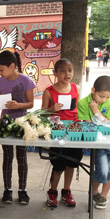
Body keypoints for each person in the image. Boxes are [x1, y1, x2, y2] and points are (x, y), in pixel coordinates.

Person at [0, 50, 36, 204]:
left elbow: (31, 103)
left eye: (1, 69)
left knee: (22, 158)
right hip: (5, 124)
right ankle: (7, 190)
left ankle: (23, 191)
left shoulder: (26, 81)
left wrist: (18, 104)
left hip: (22, 125)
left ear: (12, 66)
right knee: (7, 157)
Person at [77, 75, 110, 209]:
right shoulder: (82, 103)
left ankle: (103, 195)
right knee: (102, 170)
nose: (104, 100)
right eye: (101, 96)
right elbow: (89, 127)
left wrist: (96, 112)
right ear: (93, 90)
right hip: (98, 142)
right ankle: (93, 190)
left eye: (107, 97)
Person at [41, 58, 82, 208]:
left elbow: (79, 109)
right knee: (58, 165)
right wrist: (51, 110)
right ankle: (52, 192)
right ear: (55, 73)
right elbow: (42, 113)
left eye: (70, 70)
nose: (67, 74)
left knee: (72, 163)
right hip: (57, 132)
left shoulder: (76, 88)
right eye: (63, 71)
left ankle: (66, 191)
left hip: (74, 131)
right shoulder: (49, 91)